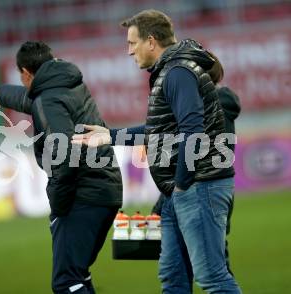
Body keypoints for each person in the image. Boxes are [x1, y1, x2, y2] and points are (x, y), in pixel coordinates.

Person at [72, 9, 241, 293]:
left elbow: (192, 132)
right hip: (181, 192)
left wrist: (182, 184)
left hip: (196, 188)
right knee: (172, 278)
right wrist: (110, 136)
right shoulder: (171, 71)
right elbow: (163, 132)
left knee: (213, 278)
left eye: (132, 43)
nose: (128, 51)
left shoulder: (178, 72)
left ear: (151, 41)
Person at [0, 41, 123, 294]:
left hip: (83, 194)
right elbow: (30, 100)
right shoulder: (68, 84)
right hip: (105, 189)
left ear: (26, 73)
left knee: (67, 281)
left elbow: (65, 156)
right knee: (77, 274)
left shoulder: (47, 100)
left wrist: (59, 207)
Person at [151, 51, 241, 276]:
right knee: (200, 267)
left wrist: (168, 198)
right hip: (208, 190)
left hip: (200, 192)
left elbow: (193, 157)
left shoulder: (205, 109)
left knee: (211, 273)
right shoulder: (216, 107)